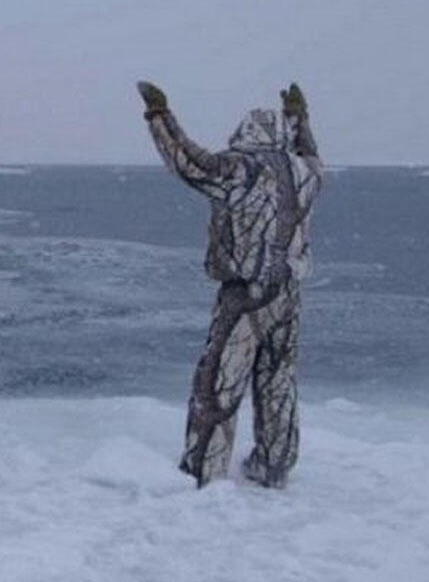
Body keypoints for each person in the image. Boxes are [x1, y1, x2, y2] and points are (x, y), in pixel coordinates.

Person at [137, 80, 323, 488]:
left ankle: (205, 470)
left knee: (219, 381)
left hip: (245, 293)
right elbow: (309, 150)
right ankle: (274, 465)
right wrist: (299, 117)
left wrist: (159, 116)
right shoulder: (307, 171)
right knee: (278, 380)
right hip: (288, 293)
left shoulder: (241, 170)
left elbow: (189, 162)